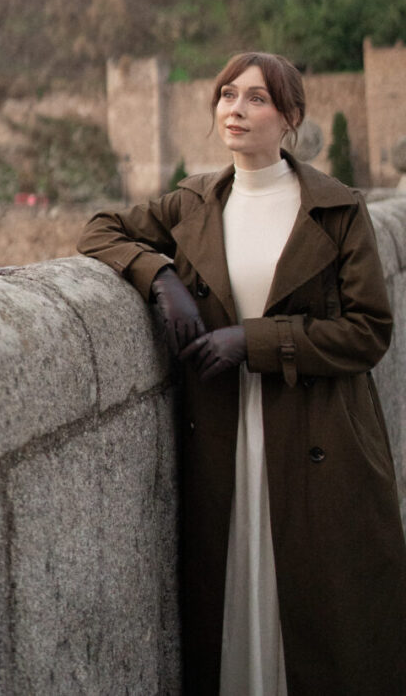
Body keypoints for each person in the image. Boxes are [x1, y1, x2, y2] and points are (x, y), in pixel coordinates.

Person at [78, 50, 406, 696]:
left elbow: (369, 332)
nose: (236, 109)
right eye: (227, 95)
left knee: (321, 624)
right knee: (236, 607)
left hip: (318, 445)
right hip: (227, 445)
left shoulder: (339, 211)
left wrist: (251, 341)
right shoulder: (194, 203)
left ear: (289, 118)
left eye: (256, 98)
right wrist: (161, 276)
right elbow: (100, 230)